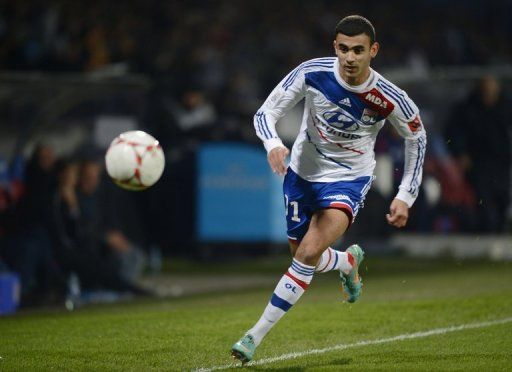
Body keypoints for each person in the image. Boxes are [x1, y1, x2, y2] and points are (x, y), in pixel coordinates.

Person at [231, 15, 427, 363]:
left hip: (348, 180)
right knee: (302, 255)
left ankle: (253, 336)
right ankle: (346, 261)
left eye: (358, 50)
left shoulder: (388, 97)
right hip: (301, 175)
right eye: (343, 49)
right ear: (334, 47)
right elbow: (265, 113)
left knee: (306, 254)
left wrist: (404, 195)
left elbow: (417, 137)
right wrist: (273, 144)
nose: (350, 58)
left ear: (373, 51)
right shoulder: (312, 72)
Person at [445, 75, 511, 233]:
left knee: (502, 200)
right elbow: (452, 132)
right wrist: (460, 153)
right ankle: (484, 238)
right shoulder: (468, 108)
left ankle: (498, 236)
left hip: (502, 163)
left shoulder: (506, 107)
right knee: (483, 202)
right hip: (477, 164)